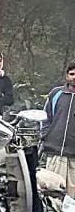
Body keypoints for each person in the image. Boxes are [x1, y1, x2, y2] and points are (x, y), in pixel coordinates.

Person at [43, 62, 75, 197]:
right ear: (67, 75)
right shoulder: (56, 93)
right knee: (52, 194)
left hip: (74, 156)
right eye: (72, 74)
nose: (74, 77)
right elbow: (45, 118)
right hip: (55, 153)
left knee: (71, 197)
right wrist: (45, 136)